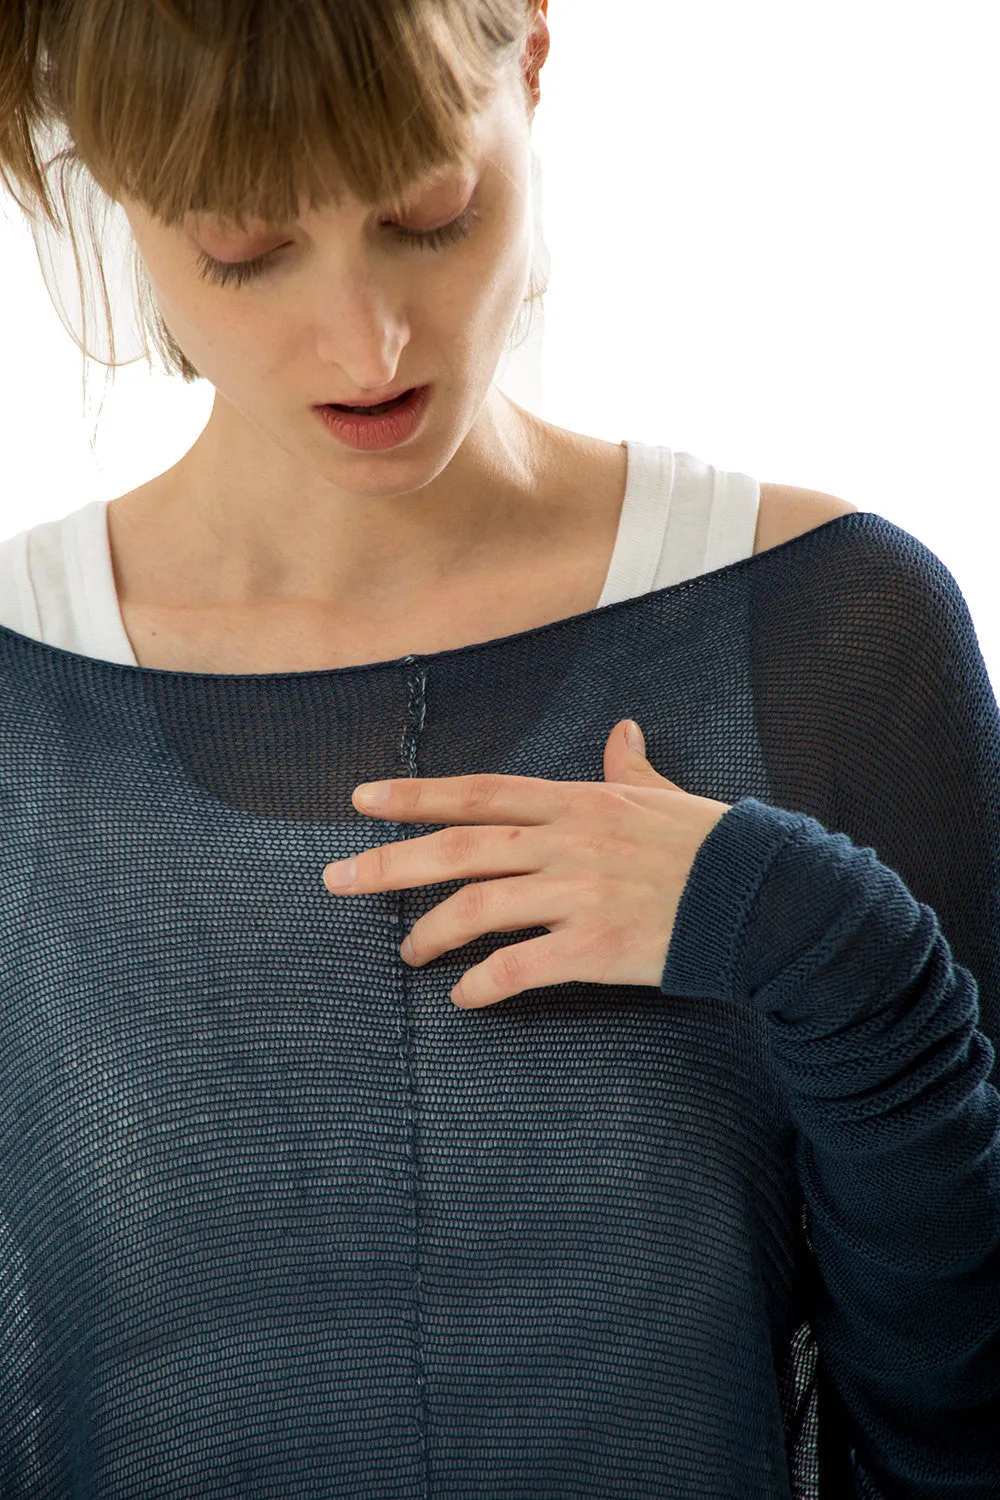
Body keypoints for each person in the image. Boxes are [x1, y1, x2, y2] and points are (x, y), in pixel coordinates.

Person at [0, 5, 997, 1499]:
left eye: (429, 214)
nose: (369, 342)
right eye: (248, 248)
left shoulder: (832, 629)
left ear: (532, 56)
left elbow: (965, 1427)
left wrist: (824, 939)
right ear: (117, 185)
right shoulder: (21, 712)